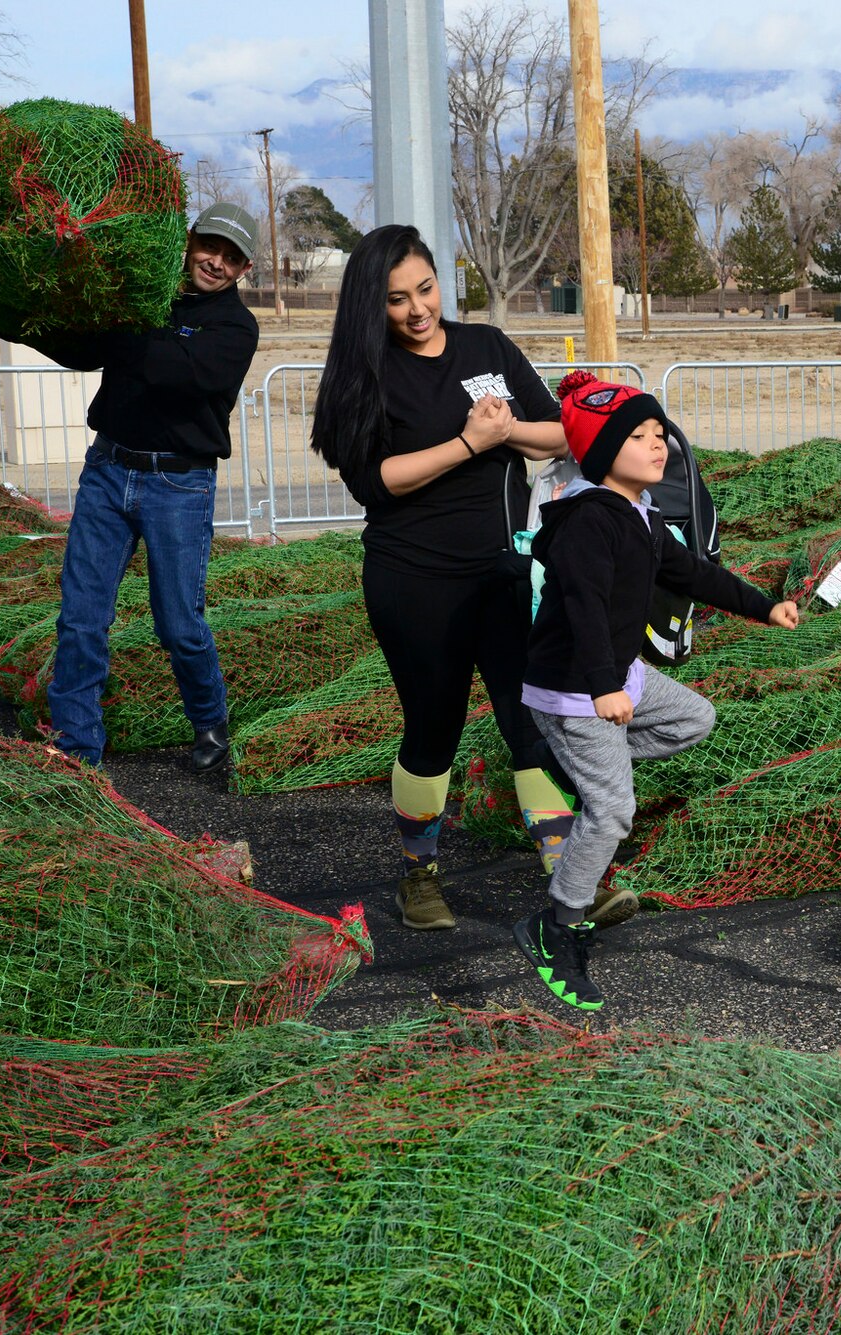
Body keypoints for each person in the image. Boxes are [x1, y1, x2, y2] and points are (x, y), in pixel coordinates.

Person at [310, 223, 596, 934]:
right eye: (397, 298)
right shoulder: (366, 371)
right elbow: (372, 482)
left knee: (531, 720)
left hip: (505, 573)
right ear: (371, 306)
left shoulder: (487, 347)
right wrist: (468, 442)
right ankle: (420, 876)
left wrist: (506, 433)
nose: (417, 309)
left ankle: (569, 880)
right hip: (414, 582)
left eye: (426, 289)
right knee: (432, 729)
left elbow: (561, 431)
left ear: (442, 280)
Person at [515, 372, 800, 1011]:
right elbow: (585, 607)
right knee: (614, 810)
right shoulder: (591, 520)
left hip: (621, 680)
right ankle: (555, 925)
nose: (657, 446)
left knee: (694, 719)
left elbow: (695, 573)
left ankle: (583, 771)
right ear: (600, 453)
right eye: (638, 436)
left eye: (658, 434)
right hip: (578, 689)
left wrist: (764, 606)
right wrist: (601, 688)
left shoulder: (640, 515)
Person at [0, 202, 262, 771]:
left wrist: (121, 330)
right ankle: (78, 749)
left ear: (244, 269)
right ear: (190, 242)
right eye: (209, 248)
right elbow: (78, 346)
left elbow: (183, 371)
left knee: (179, 623)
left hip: (179, 484)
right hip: (106, 472)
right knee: (81, 617)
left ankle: (209, 719)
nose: (216, 263)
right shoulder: (144, 299)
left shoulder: (235, 327)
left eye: (231, 258)